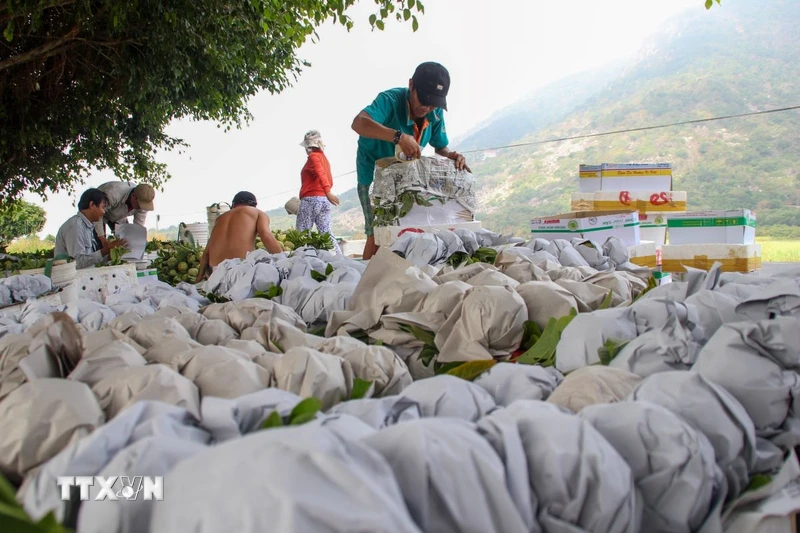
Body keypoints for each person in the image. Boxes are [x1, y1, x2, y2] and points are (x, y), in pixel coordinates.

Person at [351, 61, 471, 260]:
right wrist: (398, 136)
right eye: (423, 100)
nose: (427, 107)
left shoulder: (434, 112)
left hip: (404, 180)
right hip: (372, 177)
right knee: (377, 233)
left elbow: (440, 146)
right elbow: (358, 123)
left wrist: (451, 155)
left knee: (406, 233)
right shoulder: (389, 100)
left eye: (433, 103)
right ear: (411, 85)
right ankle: (367, 285)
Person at [197, 191, 283, 279]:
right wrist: (284, 260)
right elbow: (266, 236)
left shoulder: (219, 219)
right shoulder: (257, 213)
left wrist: (199, 276)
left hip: (215, 276)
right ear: (254, 205)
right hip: (239, 273)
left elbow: (206, 253)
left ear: (233, 205)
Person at [55, 188, 129, 269]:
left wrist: (111, 255)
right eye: (102, 207)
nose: (104, 212)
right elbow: (77, 263)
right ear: (92, 205)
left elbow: (90, 261)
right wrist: (106, 250)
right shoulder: (75, 227)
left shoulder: (88, 227)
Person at [296, 130, 343, 255]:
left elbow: (320, 173)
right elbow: (328, 178)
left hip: (311, 199)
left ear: (308, 146)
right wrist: (326, 192)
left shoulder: (313, 157)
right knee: (327, 233)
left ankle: (302, 261)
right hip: (324, 201)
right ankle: (339, 258)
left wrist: (327, 191)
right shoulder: (324, 159)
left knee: (302, 234)